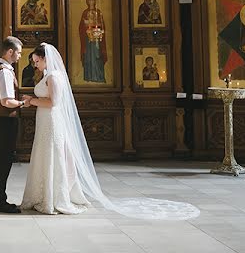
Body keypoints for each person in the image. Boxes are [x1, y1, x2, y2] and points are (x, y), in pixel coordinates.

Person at [21, 43, 200, 219]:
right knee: (46, 155)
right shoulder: (48, 75)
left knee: (53, 156)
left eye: (37, 61)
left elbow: (53, 103)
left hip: (52, 121)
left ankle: (54, 197)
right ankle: (45, 195)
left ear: (45, 59)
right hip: (46, 121)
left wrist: (31, 101)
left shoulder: (54, 77)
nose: (35, 65)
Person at [0, 36, 27, 213]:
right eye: (18, 52)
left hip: (3, 118)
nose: (20, 56)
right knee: (4, 159)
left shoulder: (2, 68)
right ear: (10, 52)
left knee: (2, 158)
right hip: (6, 119)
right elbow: (6, 101)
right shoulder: (4, 71)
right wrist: (23, 103)